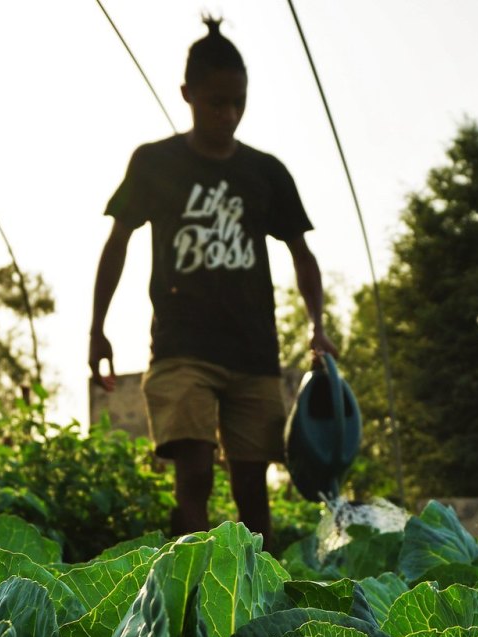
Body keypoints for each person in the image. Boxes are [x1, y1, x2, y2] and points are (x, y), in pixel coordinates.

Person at [89, 16, 336, 553]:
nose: (228, 115)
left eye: (237, 103)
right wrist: (98, 328)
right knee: (194, 473)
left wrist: (318, 326)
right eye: (215, 102)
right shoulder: (156, 163)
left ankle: (262, 604)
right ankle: (189, 596)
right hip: (182, 349)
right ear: (188, 95)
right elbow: (118, 242)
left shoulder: (265, 173)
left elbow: (301, 253)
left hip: (252, 352)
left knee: (253, 490)